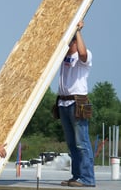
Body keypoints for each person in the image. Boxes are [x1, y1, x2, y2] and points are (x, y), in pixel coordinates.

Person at [57, 20, 96, 187]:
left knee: (82, 142)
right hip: (64, 102)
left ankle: (88, 179)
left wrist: (78, 31)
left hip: (79, 101)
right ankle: (77, 176)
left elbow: (82, 53)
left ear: (74, 41)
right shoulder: (62, 56)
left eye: (69, 41)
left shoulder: (83, 56)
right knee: (72, 144)